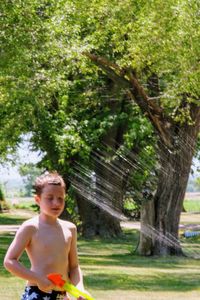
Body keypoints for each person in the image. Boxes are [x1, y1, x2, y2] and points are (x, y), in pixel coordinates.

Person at [4, 172, 87, 300]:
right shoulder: (30, 227)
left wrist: (79, 289)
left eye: (60, 198)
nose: (56, 203)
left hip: (62, 295)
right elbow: (9, 261)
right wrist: (37, 279)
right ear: (38, 200)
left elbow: (74, 267)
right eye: (50, 198)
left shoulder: (70, 229)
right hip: (36, 294)